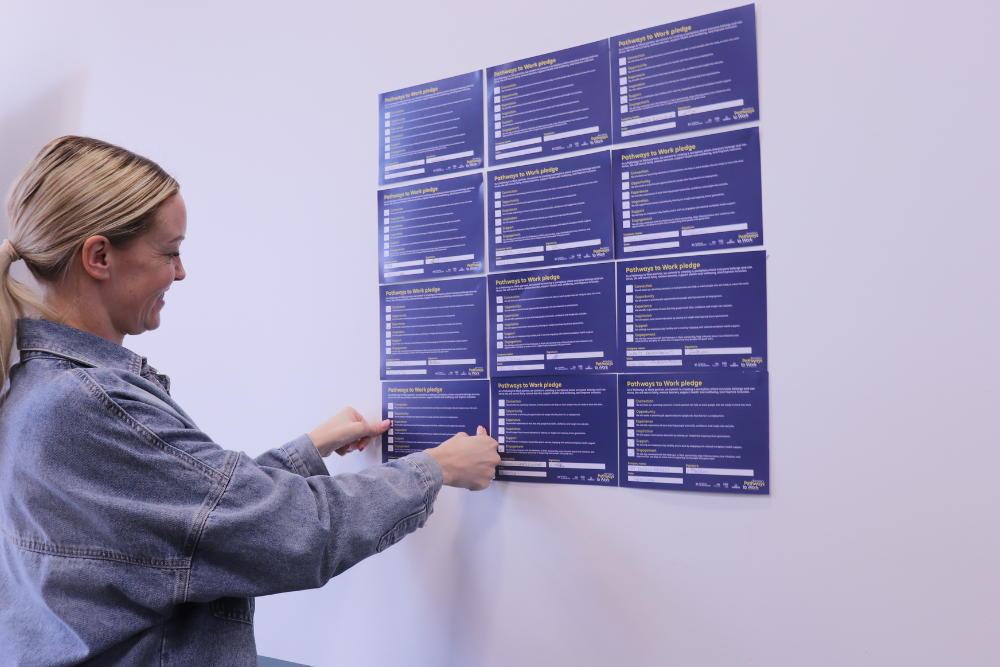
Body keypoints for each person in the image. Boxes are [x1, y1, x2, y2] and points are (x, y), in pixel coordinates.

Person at [0, 136, 500, 666]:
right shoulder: (90, 403)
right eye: (170, 252)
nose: (180, 272)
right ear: (100, 256)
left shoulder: (36, 390)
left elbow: (186, 519)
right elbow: (292, 533)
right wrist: (435, 469)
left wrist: (307, 450)